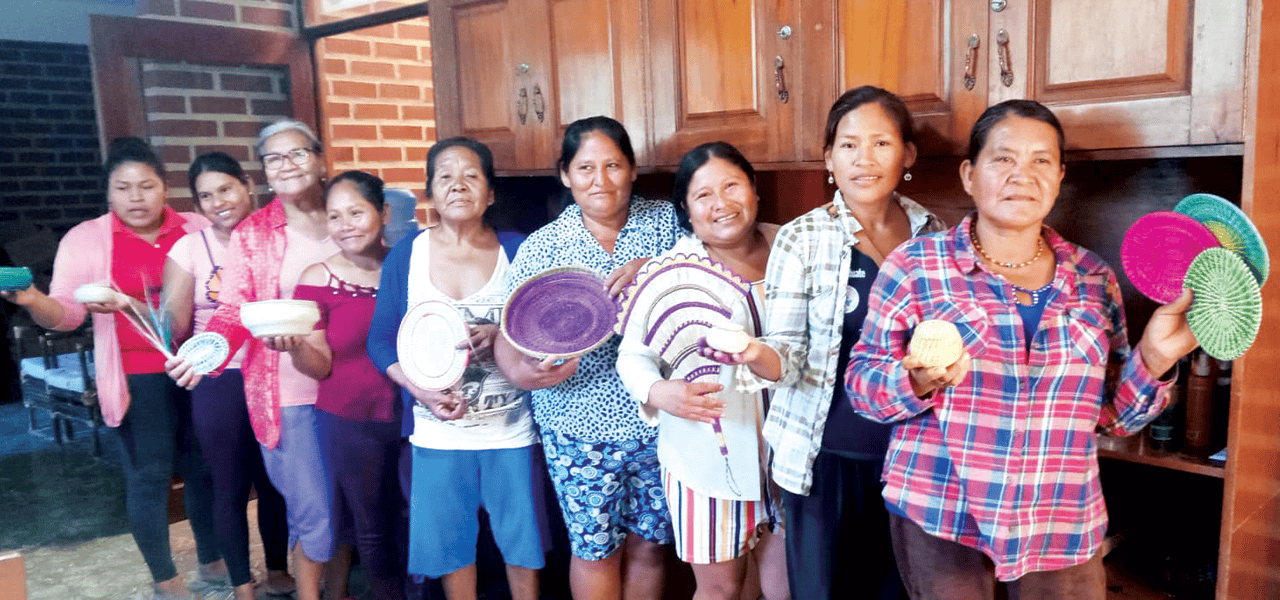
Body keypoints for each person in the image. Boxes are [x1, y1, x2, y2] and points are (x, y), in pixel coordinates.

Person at [845, 99, 1198, 599]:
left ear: (1058, 178)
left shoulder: (1092, 278)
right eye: (1003, 159)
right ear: (969, 174)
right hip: (942, 514)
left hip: (1060, 521)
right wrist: (917, 380)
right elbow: (863, 388)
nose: (1021, 175)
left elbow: (1114, 417)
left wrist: (1156, 359)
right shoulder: (916, 266)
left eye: (1040, 161)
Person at [706, 86, 946, 599]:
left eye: (881, 144)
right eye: (848, 145)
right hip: (823, 458)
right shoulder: (803, 237)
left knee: (900, 591)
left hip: (911, 457)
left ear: (906, 154)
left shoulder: (934, 235)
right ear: (829, 158)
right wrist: (754, 353)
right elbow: (785, 355)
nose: (864, 159)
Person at [3, 138, 225, 599]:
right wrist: (32, 301)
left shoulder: (196, 227)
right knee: (149, 474)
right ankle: (167, 581)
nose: (136, 197)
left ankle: (213, 561)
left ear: (165, 188)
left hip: (200, 367)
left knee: (204, 469)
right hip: (134, 373)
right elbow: (66, 315)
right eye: (123, 188)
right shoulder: (86, 239)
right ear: (108, 193)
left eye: (147, 186)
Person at [493, 116, 684, 600]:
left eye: (613, 165)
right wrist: (528, 373)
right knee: (595, 549)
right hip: (578, 424)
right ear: (565, 174)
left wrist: (657, 266)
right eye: (585, 168)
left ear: (633, 169)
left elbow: (718, 264)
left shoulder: (668, 224)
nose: (600, 181)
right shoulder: (543, 246)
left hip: (661, 418)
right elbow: (508, 335)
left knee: (650, 545)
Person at [168, 120, 338, 600]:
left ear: (320, 158)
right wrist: (204, 355)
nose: (286, 165)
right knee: (313, 510)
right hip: (289, 393)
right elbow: (232, 310)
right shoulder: (254, 234)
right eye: (273, 158)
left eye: (297, 154)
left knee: (355, 504)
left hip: (356, 383)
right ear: (262, 172)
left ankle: (341, 587)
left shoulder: (350, 213)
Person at [367, 137, 543, 600]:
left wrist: (501, 336)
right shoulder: (408, 255)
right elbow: (380, 340)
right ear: (428, 192)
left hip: (512, 430)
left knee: (522, 547)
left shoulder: (519, 250)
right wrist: (418, 390)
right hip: (437, 432)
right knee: (450, 548)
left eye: (471, 175)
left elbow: (542, 329)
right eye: (444, 176)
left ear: (490, 193)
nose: (457, 185)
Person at [615, 142, 788, 600]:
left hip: (790, 457)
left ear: (753, 190)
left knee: (784, 587)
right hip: (708, 459)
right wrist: (659, 392)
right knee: (720, 590)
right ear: (686, 212)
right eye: (704, 195)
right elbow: (631, 356)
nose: (722, 203)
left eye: (732, 185)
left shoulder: (793, 247)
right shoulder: (671, 272)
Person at [163, 152, 295, 600]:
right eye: (205, 196)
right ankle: (242, 583)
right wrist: (157, 316)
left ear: (246, 186)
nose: (218, 202)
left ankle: (278, 570)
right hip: (218, 379)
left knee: (274, 481)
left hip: (275, 371)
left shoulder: (273, 235)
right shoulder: (190, 248)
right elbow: (175, 324)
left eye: (225, 189)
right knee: (230, 484)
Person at [281, 170, 406, 600]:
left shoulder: (408, 264)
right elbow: (319, 367)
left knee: (414, 515)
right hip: (348, 421)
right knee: (371, 526)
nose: (346, 224)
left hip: (414, 412)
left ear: (384, 213)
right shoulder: (316, 278)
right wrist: (295, 347)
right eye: (335, 217)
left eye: (356, 212)